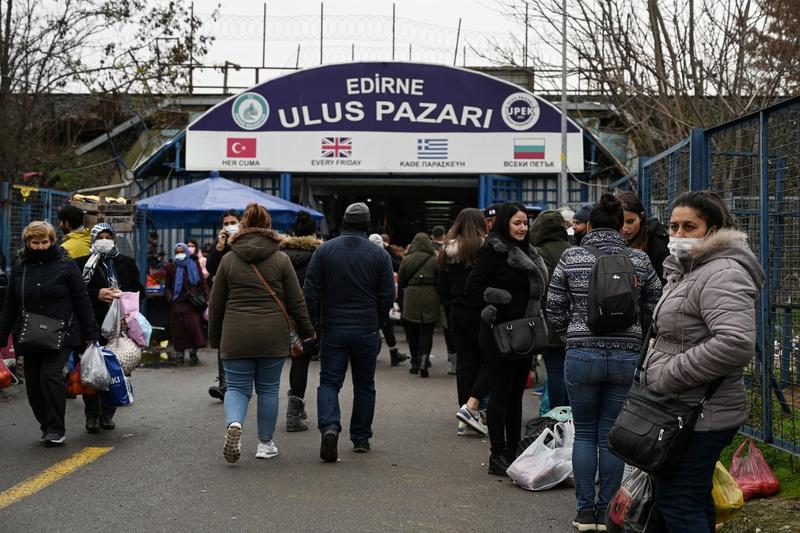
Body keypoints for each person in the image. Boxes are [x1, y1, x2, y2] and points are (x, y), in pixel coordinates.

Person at [645, 191, 763, 532]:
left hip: (702, 411)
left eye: (689, 227)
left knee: (678, 500)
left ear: (712, 231)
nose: (679, 234)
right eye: (673, 226)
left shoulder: (723, 272)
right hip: (684, 407)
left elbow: (735, 343)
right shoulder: (690, 270)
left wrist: (668, 374)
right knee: (691, 498)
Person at [546, 193, 662, 531]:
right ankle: (608, 513)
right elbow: (657, 304)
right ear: (619, 227)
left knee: (584, 433)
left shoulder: (571, 257)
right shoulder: (639, 259)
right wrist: (637, 336)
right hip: (626, 356)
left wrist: (571, 337)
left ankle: (585, 513)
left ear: (590, 226)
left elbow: (553, 305)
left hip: (581, 355)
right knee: (610, 434)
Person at [208, 203, 315, 463]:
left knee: (237, 387)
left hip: (235, 334)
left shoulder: (229, 260)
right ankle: (265, 444)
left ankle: (235, 424)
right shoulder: (281, 259)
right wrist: (307, 332)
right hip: (272, 334)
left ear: (242, 225)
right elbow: (296, 301)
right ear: (268, 226)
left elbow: (216, 303)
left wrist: (215, 338)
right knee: (268, 389)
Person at [303, 202, 394, 462]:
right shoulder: (380, 255)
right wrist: (377, 320)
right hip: (366, 326)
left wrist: (317, 323)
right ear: (368, 225)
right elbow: (387, 295)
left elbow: (311, 291)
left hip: (333, 326)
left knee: (329, 382)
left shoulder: (324, 251)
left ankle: (330, 426)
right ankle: (361, 437)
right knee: (365, 384)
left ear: (343, 222)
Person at [465, 202, 549, 476]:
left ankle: (513, 449)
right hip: (499, 332)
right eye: (517, 223)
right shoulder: (493, 250)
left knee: (515, 394)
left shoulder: (529, 251)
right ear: (505, 223)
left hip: (525, 332)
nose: (523, 228)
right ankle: (497, 454)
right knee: (500, 393)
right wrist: (499, 299)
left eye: (525, 223)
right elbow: (472, 287)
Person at [0, 221, 100, 446]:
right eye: (35, 243)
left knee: (50, 376)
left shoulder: (66, 264)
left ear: (52, 241)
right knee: (34, 385)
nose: (40, 247)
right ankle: (46, 425)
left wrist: (91, 332)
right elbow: (11, 302)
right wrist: (2, 334)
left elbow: (81, 299)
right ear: (27, 242)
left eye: (44, 242)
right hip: (30, 333)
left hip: (63, 331)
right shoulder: (21, 265)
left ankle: (56, 428)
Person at [75, 223, 144, 433]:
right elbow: (75, 293)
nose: (104, 240)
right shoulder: (81, 264)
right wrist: (97, 293)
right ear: (93, 240)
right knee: (92, 368)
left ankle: (107, 412)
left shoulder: (126, 263)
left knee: (115, 369)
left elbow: (138, 291)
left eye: (108, 236)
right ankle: (91, 415)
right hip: (91, 323)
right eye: (100, 237)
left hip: (118, 326)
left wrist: (122, 296)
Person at [437, 208, 489, 436]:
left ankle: (465, 415)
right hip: (482, 310)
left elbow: (441, 284)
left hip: (456, 311)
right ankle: (473, 407)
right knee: (489, 359)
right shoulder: (486, 248)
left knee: (465, 363)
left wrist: (450, 301)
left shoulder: (447, 250)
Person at [279, 214, 323, 432]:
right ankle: (293, 415)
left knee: (286, 360)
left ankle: (295, 408)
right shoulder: (319, 254)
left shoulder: (280, 254)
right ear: (314, 234)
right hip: (307, 316)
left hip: (281, 316)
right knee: (301, 360)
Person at [529, 210, 573, 408]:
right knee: (570, 371)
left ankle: (556, 414)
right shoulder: (574, 250)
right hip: (574, 319)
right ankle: (570, 414)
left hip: (549, 319)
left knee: (555, 370)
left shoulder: (537, 253)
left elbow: (539, 286)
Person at [205, 209, 241, 400]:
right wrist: (219, 246)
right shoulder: (221, 244)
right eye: (226, 223)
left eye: (233, 222)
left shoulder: (244, 242)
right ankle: (224, 383)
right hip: (224, 299)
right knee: (223, 341)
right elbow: (210, 268)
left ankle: (240, 381)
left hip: (242, 297)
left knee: (241, 341)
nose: (229, 226)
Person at [398, 232, 440, 377]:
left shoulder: (407, 259)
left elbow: (401, 281)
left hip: (412, 296)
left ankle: (414, 362)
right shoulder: (435, 260)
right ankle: (424, 361)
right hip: (430, 295)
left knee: (412, 331)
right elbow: (440, 280)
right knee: (428, 330)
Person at [368, 233, 409, 367]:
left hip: (368, 298)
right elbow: (395, 267)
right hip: (381, 298)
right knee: (384, 325)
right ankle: (393, 353)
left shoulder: (363, 256)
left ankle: (372, 352)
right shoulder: (384, 257)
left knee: (375, 326)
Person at [164, 242, 208, 365]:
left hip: (192, 302)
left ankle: (194, 352)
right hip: (178, 302)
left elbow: (202, 282)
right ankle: (180, 354)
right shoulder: (171, 266)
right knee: (179, 330)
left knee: (194, 327)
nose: (180, 254)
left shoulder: (194, 264)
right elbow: (167, 286)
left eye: (182, 251)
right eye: (177, 252)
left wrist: (206, 297)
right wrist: (171, 299)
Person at [618, 191, 670, 284]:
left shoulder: (659, 241)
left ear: (641, 217)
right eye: (619, 222)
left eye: (630, 222)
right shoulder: (612, 241)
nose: (625, 228)